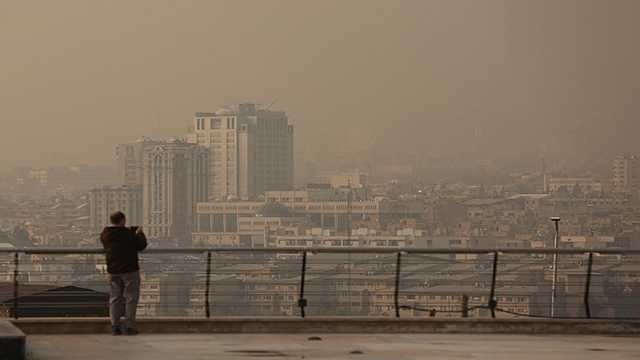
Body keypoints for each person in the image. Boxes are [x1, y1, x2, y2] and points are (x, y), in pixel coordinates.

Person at [100, 211, 147, 336]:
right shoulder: (128, 234)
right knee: (131, 298)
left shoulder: (105, 234)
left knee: (115, 298)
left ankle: (115, 326)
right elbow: (141, 246)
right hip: (130, 269)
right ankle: (129, 327)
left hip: (113, 270)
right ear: (122, 220)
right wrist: (140, 234)